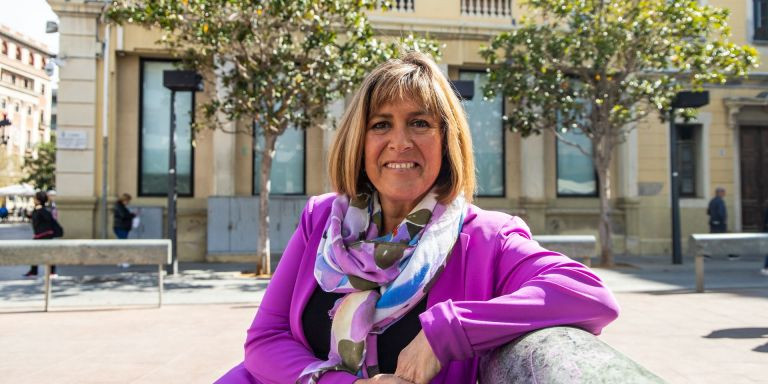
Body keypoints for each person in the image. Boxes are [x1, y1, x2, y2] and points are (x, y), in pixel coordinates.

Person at [215, 52, 619, 384]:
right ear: (359, 141)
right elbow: (266, 340)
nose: (400, 141)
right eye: (381, 124)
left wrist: (448, 331)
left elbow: (587, 294)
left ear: (447, 140)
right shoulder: (321, 218)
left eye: (420, 123)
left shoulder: (487, 238)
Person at [23, 191, 60, 278]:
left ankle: (51, 272)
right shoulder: (39, 209)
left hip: (45, 235)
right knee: (36, 253)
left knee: (48, 253)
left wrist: (39, 210)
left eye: (35, 198)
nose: (33, 200)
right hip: (40, 235)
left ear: (39, 200)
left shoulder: (44, 209)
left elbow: (47, 219)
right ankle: (34, 271)